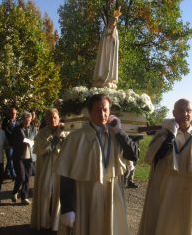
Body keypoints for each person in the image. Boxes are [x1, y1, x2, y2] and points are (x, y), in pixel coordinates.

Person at [138, 99, 192, 235]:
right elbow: (156, 156)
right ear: (174, 113)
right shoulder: (163, 134)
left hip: (190, 191)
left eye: (188, 110)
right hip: (166, 190)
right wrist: (171, 135)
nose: (185, 114)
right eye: (181, 110)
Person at [57, 94, 139, 235]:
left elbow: (134, 155)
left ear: (110, 110)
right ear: (89, 112)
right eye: (97, 110)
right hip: (86, 193)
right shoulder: (75, 138)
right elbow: (65, 175)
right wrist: (67, 207)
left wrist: (120, 131)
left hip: (112, 190)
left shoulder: (117, 135)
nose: (102, 114)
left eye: (105, 109)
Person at [31, 108, 68, 231]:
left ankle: (58, 224)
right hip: (46, 170)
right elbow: (45, 149)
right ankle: (45, 222)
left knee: (60, 196)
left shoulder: (66, 131)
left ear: (59, 118)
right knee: (47, 194)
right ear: (46, 119)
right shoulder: (42, 133)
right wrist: (57, 135)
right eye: (50, 117)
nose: (53, 120)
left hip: (61, 170)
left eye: (55, 117)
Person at [11, 111, 37, 205]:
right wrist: (22, 142)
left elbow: (37, 139)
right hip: (19, 155)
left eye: (29, 120)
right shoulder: (17, 129)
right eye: (26, 121)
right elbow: (12, 142)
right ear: (22, 120)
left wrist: (33, 142)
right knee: (21, 176)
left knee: (27, 177)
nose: (27, 122)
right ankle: (15, 191)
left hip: (30, 155)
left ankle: (24, 197)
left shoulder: (34, 129)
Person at [92, 9, 121, 89]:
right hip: (104, 51)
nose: (113, 22)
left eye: (115, 21)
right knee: (102, 64)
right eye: (112, 20)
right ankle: (100, 79)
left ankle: (109, 80)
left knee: (110, 66)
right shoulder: (105, 29)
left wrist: (113, 37)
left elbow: (116, 42)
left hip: (111, 52)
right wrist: (108, 35)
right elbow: (103, 40)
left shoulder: (116, 31)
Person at [2, 107, 18, 179]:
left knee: (11, 158)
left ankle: (6, 173)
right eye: (12, 113)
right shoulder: (6, 121)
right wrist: (13, 136)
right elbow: (6, 131)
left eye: (14, 113)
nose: (13, 114)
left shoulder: (17, 121)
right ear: (9, 113)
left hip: (15, 142)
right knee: (10, 158)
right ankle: (13, 174)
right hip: (8, 143)